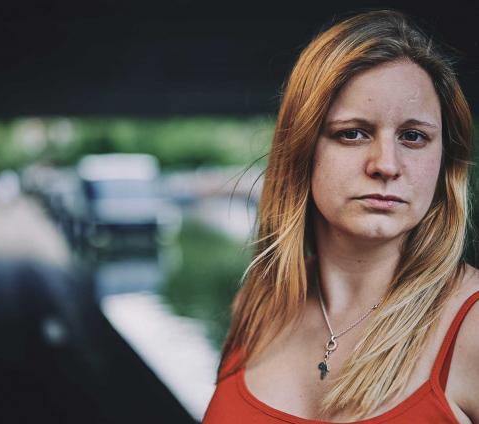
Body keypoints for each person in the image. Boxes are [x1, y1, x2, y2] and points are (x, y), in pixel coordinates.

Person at [203, 8, 479, 424]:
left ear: (444, 161)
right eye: (353, 133)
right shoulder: (258, 305)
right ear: (303, 150)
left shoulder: (472, 327)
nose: (386, 164)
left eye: (413, 136)